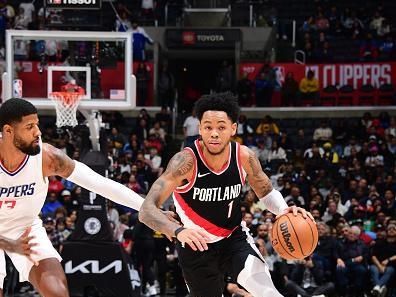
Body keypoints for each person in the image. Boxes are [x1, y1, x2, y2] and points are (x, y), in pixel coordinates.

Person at [139, 92, 314, 297]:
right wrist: (178, 231)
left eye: (221, 127)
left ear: (233, 128)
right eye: (208, 127)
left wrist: (284, 210)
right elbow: (146, 210)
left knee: (268, 292)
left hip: (234, 239)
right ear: (200, 128)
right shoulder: (184, 162)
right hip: (195, 245)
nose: (214, 133)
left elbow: (265, 191)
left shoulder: (244, 156)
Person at [0, 98, 175, 297]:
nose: (38, 132)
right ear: (8, 131)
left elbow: (101, 184)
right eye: (29, 127)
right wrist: (7, 244)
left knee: (57, 292)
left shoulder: (47, 157)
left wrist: (151, 210)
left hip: (26, 228)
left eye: (37, 125)